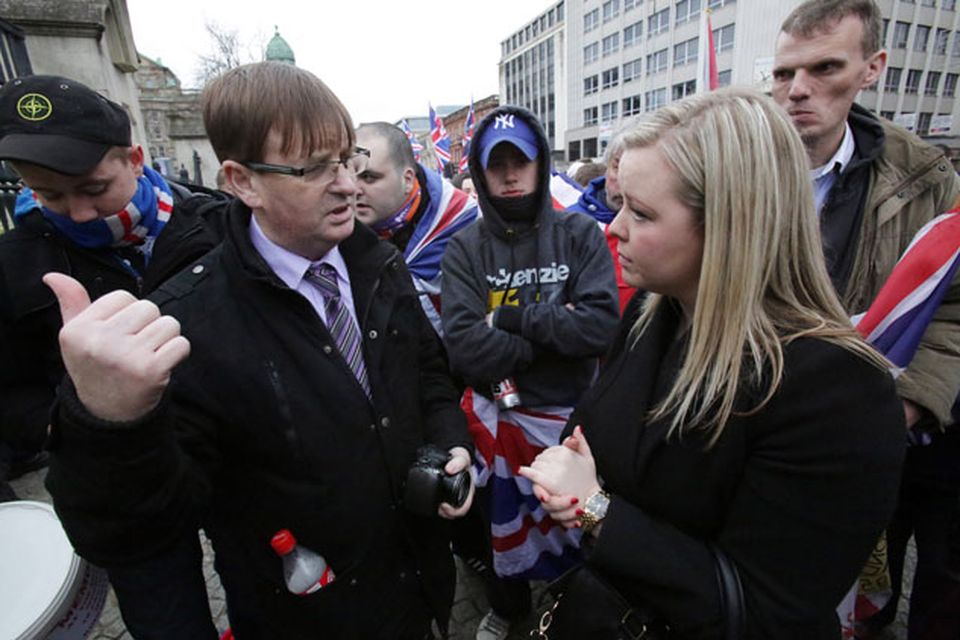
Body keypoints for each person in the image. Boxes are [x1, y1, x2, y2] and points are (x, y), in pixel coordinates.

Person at [43, 61, 474, 639]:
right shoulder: (191, 320)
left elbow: (427, 373)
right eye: (314, 168)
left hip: (417, 591)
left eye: (347, 160)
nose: (346, 184)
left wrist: (450, 441)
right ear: (242, 181)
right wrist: (107, 422)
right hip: (306, 619)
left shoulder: (379, 262)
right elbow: (141, 533)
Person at [519, 89, 905, 639]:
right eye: (619, 202)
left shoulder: (837, 389)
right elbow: (592, 432)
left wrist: (597, 510)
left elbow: (767, 606)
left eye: (643, 212)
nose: (615, 228)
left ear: (730, 225)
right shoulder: (654, 314)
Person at [0, 75, 227, 638]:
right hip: (126, 495)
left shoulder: (215, 221)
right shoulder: (13, 264)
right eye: (50, 196)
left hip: (230, 466)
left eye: (94, 188)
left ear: (134, 158)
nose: (77, 214)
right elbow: (10, 390)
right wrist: (74, 418)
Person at [773, 2, 960, 637]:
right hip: (801, 440)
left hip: (916, 439)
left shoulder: (928, 178)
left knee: (929, 591)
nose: (798, 89)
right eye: (783, 73)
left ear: (871, 69)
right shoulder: (739, 172)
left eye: (825, 67)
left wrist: (908, 404)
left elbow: (955, 307)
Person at [441, 106, 619, 640]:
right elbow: (466, 352)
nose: (511, 174)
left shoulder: (579, 234)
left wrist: (514, 320)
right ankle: (509, 607)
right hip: (498, 424)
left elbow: (599, 329)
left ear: (541, 164)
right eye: (498, 165)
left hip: (572, 422)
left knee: (582, 518)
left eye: (522, 160)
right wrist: (553, 333)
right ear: (479, 170)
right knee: (501, 527)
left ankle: (587, 599)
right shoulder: (465, 248)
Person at [354, 122, 478, 335]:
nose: (353, 189)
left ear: (408, 179)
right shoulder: (336, 234)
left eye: (368, 177)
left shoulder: (466, 221)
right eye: (349, 175)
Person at [565, 133, 636, 313]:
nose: (623, 180)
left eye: (635, 171)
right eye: (617, 166)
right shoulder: (568, 224)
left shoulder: (664, 227)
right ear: (606, 168)